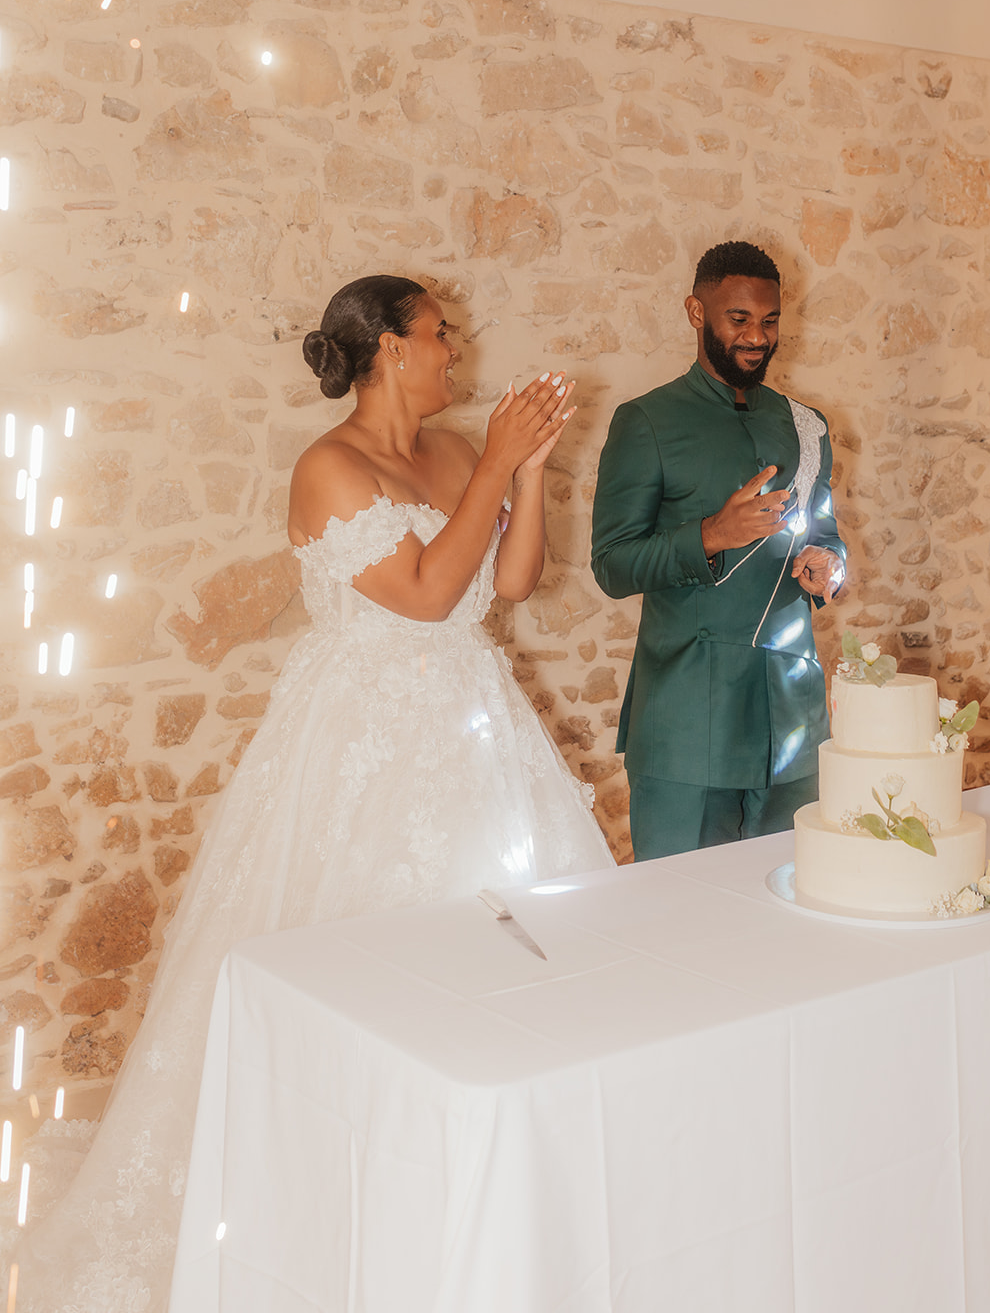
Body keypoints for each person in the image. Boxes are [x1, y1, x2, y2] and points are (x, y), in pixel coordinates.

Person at [6, 274, 612, 1312]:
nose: (452, 353)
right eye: (438, 336)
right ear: (385, 348)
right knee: (361, 965)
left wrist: (534, 472)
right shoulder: (327, 467)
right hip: (360, 742)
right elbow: (422, 594)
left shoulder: (460, 451)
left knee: (503, 965)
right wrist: (497, 467)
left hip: (473, 722)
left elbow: (506, 583)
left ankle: (475, 1182)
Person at [591, 240, 846, 861]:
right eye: (739, 319)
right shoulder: (644, 422)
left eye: (770, 320)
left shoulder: (807, 425)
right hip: (687, 721)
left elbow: (825, 531)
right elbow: (612, 565)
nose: (757, 336)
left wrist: (829, 565)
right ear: (696, 313)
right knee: (684, 921)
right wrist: (710, 535)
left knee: (792, 905)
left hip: (792, 715)